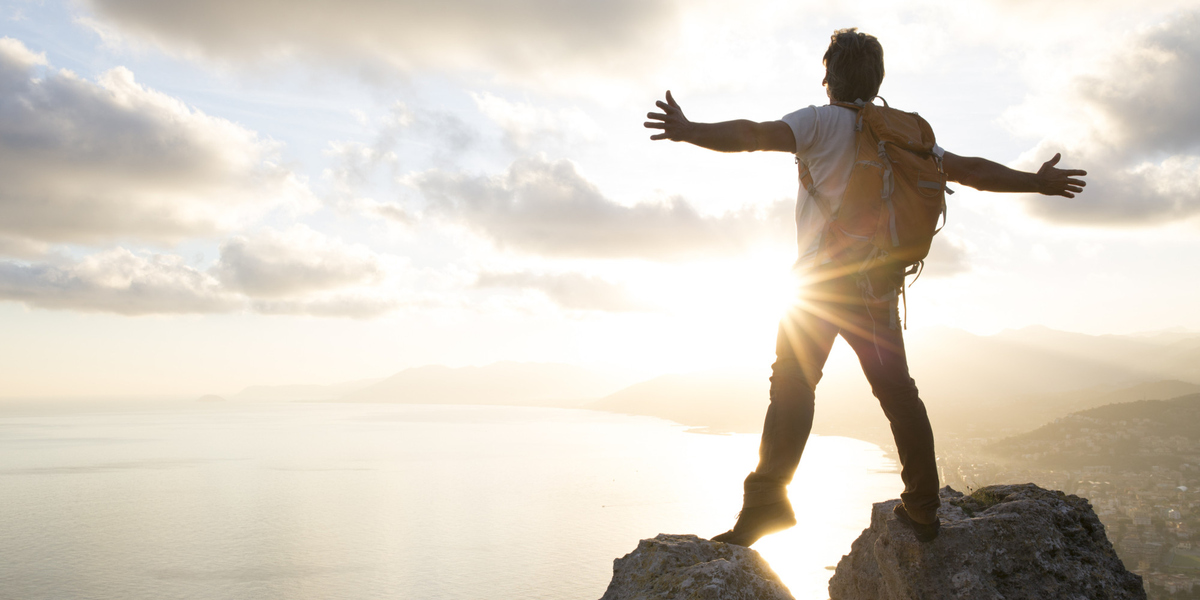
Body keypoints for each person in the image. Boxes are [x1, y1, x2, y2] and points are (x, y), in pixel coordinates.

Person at [643, 28, 1086, 545]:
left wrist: (688, 129)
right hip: (876, 285)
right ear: (876, 79)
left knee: (792, 385)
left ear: (830, 75)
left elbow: (751, 134)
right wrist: (1036, 181)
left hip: (818, 286)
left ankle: (764, 505)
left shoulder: (819, 122)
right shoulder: (902, 132)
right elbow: (968, 171)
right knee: (899, 394)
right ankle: (923, 507)